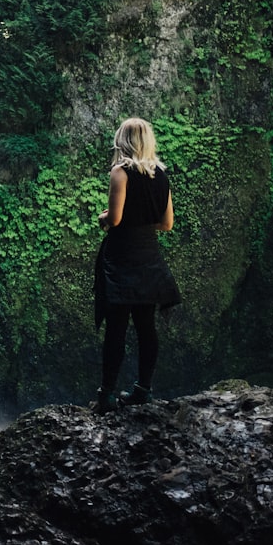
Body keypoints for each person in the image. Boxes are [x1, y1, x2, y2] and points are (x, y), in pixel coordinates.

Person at [93, 117, 181, 414]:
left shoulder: (121, 172)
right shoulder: (162, 175)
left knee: (116, 327)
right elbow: (166, 224)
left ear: (123, 140)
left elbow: (115, 220)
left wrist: (104, 217)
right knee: (146, 326)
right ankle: (143, 389)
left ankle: (106, 396)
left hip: (122, 257)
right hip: (148, 257)